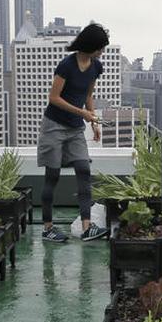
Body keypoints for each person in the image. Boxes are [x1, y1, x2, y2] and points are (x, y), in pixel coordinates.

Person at [39, 22, 111, 243]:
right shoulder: (66, 65)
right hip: (54, 125)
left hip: (75, 128)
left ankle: (87, 227)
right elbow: (54, 98)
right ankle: (48, 228)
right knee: (52, 176)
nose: (102, 52)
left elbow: (88, 94)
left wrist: (93, 120)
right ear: (90, 45)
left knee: (83, 170)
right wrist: (82, 113)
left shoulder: (95, 67)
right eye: (100, 48)